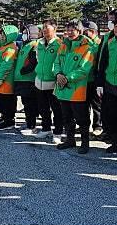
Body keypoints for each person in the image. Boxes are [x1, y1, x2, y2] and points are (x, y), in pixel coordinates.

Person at [53, 19, 95, 154]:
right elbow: (56, 62)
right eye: (68, 29)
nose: (70, 32)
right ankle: (70, 140)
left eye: (73, 30)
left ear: (79, 31)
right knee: (66, 116)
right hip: (62, 88)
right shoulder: (63, 45)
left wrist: (67, 78)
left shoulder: (86, 47)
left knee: (82, 118)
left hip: (77, 89)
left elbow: (84, 69)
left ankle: (84, 143)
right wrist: (58, 73)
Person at [96, 9, 117, 153]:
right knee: (111, 115)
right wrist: (99, 83)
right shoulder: (109, 41)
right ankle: (116, 143)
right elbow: (101, 62)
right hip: (109, 84)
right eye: (116, 26)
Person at [33, 18, 64, 142]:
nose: (44, 30)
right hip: (39, 80)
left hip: (53, 82)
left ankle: (58, 132)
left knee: (57, 109)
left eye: (47, 27)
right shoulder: (39, 44)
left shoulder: (59, 44)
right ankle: (46, 129)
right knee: (43, 108)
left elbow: (61, 62)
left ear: (55, 29)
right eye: (43, 28)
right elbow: (37, 59)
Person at [0, 24, 19, 130]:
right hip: (0, 80)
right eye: (1, 33)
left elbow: (7, 63)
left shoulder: (11, 47)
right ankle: (5, 118)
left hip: (6, 80)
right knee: (2, 100)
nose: (1, 35)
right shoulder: (3, 46)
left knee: (7, 101)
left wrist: (0, 77)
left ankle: (9, 121)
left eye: (3, 34)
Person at [15, 24, 41, 134]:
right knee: (26, 103)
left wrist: (23, 70)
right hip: (22, 79)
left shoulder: (34, 45)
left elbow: (33, 63)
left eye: (26, 33)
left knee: (30, 104)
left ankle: (31, 126)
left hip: (29, 79)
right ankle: (29, 123)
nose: (23, 35)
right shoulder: (25, 45)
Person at [82, 21, 103, 134]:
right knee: (84, 105)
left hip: (94, 78)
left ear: (93, 31)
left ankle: (97, 126)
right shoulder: (83, 43)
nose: (83, 33)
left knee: (96, 104)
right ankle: (84, 125)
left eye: (86, 31)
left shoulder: (99, 44)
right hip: (84, 79)